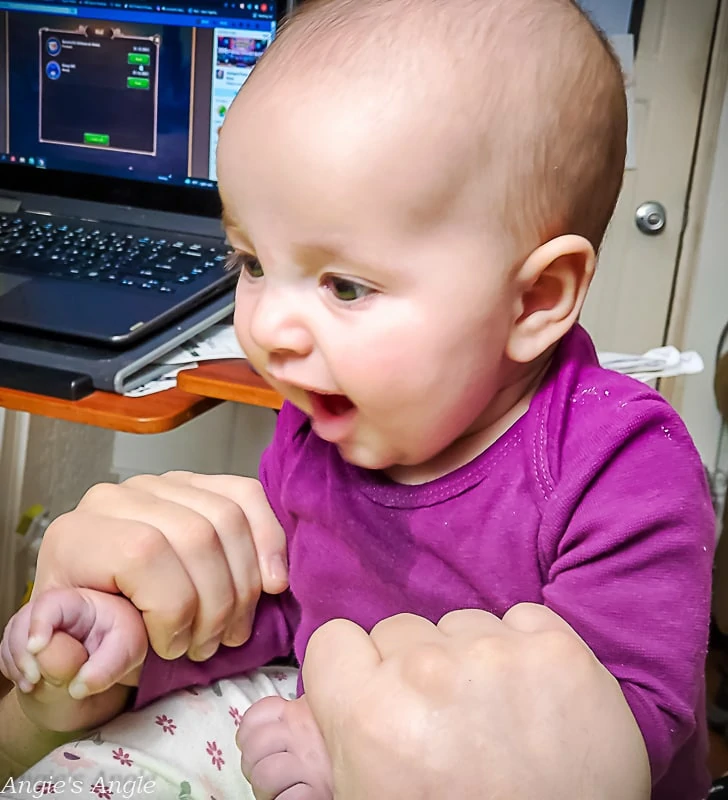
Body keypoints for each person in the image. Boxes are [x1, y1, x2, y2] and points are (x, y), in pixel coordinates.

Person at [0, 0, 715, 797]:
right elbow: (279, 612)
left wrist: (354, 759)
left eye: (344, 284)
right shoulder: (321, 428)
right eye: (253, 261)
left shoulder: (621, 464)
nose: (266, 326)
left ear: (537, 298)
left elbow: (630, 734)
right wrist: (136, 648)